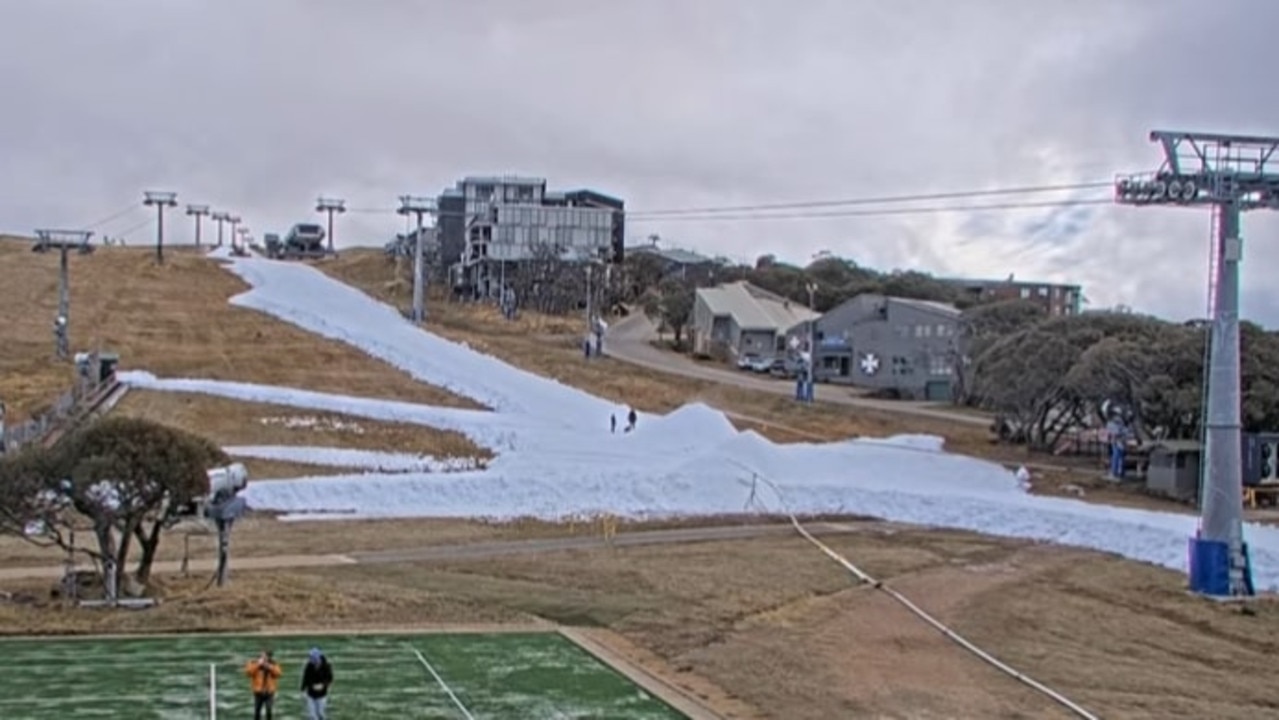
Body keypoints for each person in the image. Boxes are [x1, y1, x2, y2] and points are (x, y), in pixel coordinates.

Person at [244, 649, 282, 720]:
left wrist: (270, 667)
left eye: (265, 657)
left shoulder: (273, 664)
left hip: (269, 692)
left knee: (269, 710)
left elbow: (279, 674)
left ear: (269, 657)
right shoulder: (254, 662)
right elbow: (248, 672)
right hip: (258, 692)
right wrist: (258, 665)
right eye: (261, 656)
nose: (263, 658)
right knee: (257, 711)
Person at [300, 647, 334, 720]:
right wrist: (302, 689)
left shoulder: (326, 666)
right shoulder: (309, 666)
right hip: (310, 694)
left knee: (320, 713)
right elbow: (305, 678)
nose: (312, 660)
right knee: (312, 716)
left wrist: (323, 685)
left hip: (322, 694)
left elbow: (330, 678)